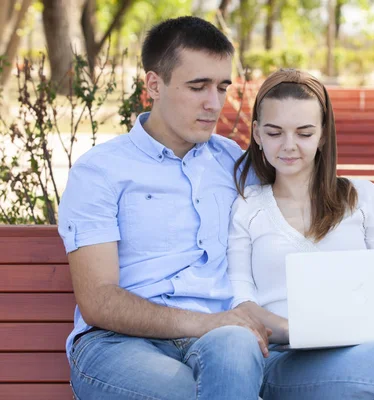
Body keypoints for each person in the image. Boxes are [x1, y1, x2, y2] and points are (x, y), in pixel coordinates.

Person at [58, 16, 271, 399]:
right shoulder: (100, 172)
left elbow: (307, 205)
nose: (214, 104)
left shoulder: (232, 162)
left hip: (221, 339)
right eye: (198, 86)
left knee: (237, 349)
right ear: (153, 84)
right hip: (117, 344)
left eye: (222, 87)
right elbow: (98, 300)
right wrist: (206, 322)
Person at [228, 68, 374, 399]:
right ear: (258, 135)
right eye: (275, 132)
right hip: (285, 361)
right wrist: (304, 330)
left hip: (364, 353)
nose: (289, 146)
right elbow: (242, 304)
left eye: (304, 133)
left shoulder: (362, 197)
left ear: (322, 135)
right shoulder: (247, 209)